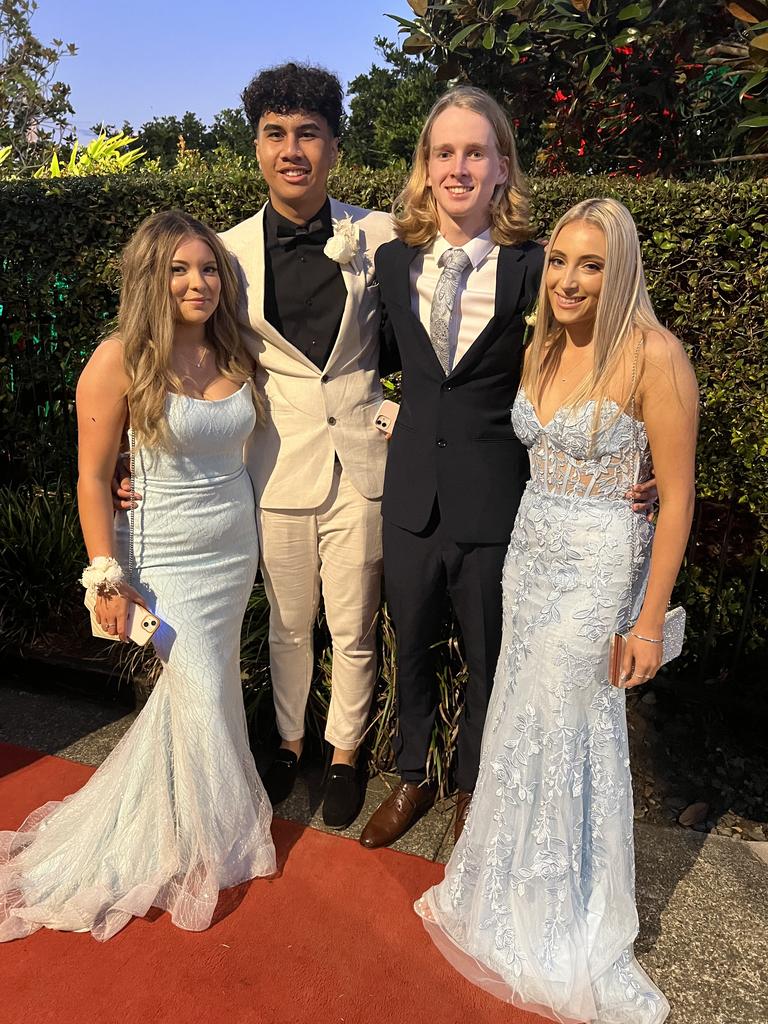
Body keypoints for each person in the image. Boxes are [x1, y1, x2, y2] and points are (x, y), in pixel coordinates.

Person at [415, 198, 698, 1024]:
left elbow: (677, 501)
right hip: (531, 552)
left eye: (593, 264)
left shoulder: (656, 356)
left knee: (569, 725)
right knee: (521, 719)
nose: (570, 280)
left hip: (600, 567)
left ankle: (565, 911)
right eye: (562, 262)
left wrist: (648, 623)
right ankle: (506, 888)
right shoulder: (542, 341)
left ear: (623, 272)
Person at [0, 211, 276, 942]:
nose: (198, 282)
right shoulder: (118, 358)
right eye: (180, 270)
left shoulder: (234, 348)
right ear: (151, 278)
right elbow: (93, 477)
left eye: (209, 268)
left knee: (212, 688)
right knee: (191, 689)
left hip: (230, 548)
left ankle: (193, 825)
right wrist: (106, 575)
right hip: (164, 556)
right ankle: (164, 839)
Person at [360, 87, 545, 849]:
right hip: (409, 498)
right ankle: (413, 777)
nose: (459, 167)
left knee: (487, 657)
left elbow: (573, 377)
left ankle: (472, 785)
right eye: (445, 152)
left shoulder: (534, 269)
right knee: (412, 644)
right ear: (425, 167)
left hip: (494, 502)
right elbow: (383, 366)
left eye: (476, 152)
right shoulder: (392, 260)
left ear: (502, 168)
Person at [217, 64, 394, 828]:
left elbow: (442, 332)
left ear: (334, 146)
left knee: (353, 624)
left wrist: (407, 409)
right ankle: (289, 742)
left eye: (309, 134)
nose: (293, 149)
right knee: (290, 622)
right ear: (256, 146)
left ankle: (345, 752)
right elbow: (189, 360)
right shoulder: (222, 254)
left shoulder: (382, 233)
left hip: (362, 461)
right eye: (276, 134)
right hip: (277, 462)